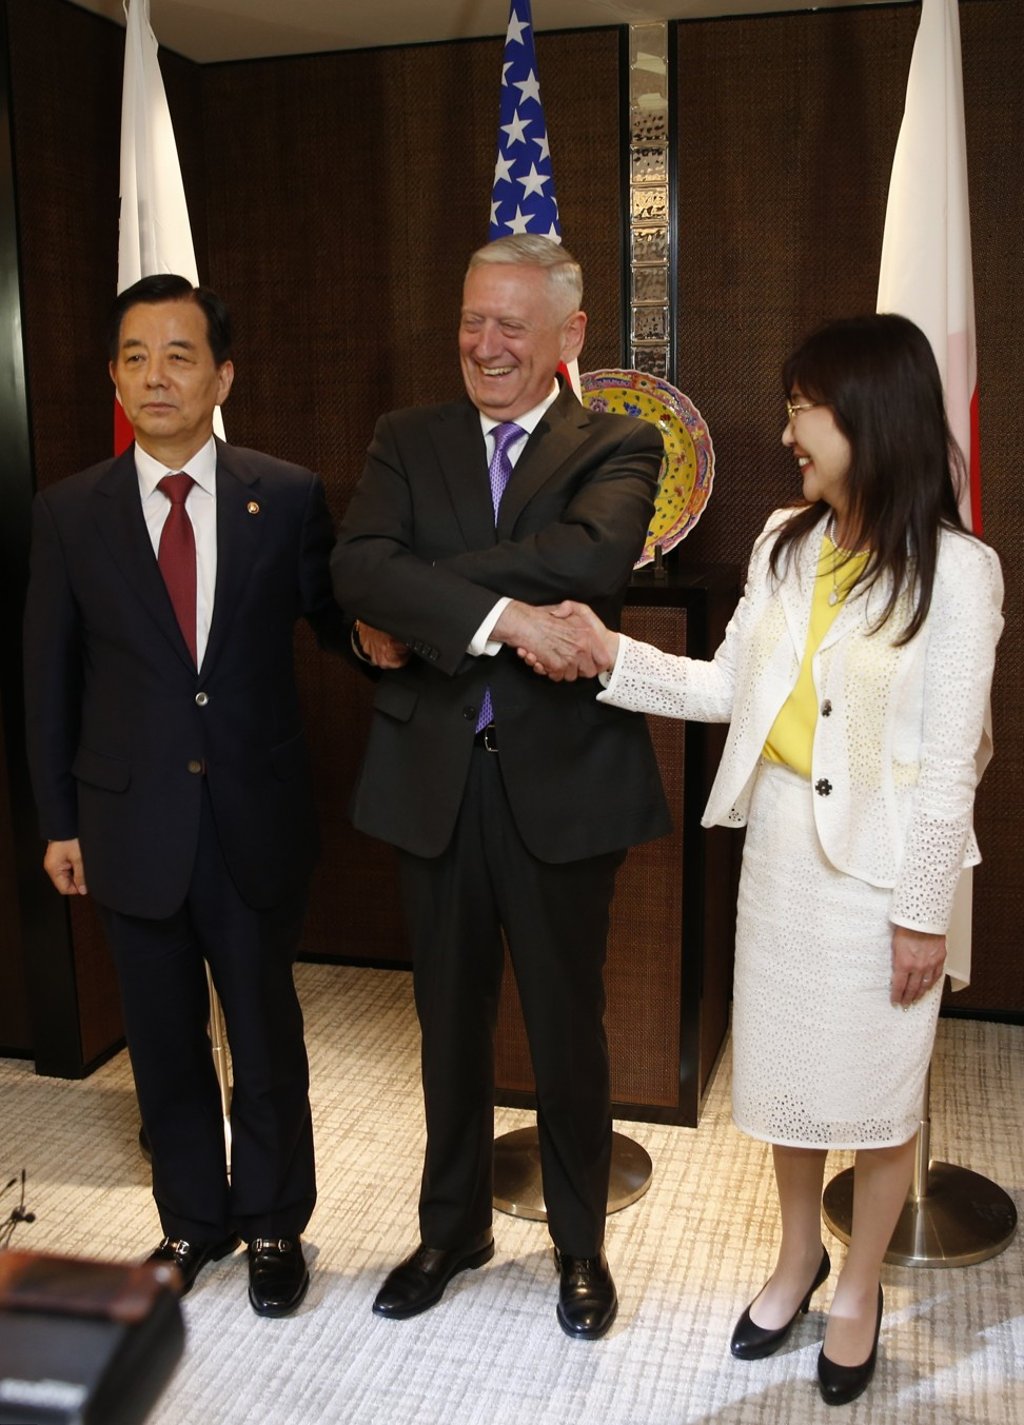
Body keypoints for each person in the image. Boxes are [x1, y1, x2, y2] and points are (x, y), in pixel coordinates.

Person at [523, 314, 1004, 1400]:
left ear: (867, 416)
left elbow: (943, 770)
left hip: (887, 877)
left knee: (878, 1100)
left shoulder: (961, 574)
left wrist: (925, 912)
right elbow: (729, 691)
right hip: (783, 855)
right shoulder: (786, 540)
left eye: (803, 407)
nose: (789, 429)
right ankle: (798, 1259)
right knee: (789, 1087)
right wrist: (610, 658)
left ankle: (859, 1286)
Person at [330, 234, 670, 1339]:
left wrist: (424, 594)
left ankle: (579, 1242)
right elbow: (351, 568)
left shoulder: (620, 440)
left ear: (568, 335)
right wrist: (504, 615)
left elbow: (588, 564)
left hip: (563, 784)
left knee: (568, 1023)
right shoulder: (406, 437)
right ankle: (450, 1230)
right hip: (433, 780)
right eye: (472, 320)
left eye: (509, 327)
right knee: (445, 1021)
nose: (483, 345)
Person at [23, 274, 348, 1317]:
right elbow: (46, 680)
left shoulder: (287, 493)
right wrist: (58, 822)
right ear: (115, 376)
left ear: (222, 375)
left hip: (252, 818)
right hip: (128, 822)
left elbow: (342, 624)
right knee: (162, 1041)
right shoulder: (69, 511)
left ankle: (271, 1226)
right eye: (133, 356)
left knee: (263, 1035)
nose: (154, 375)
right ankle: (191, 1223)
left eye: (177, 355)